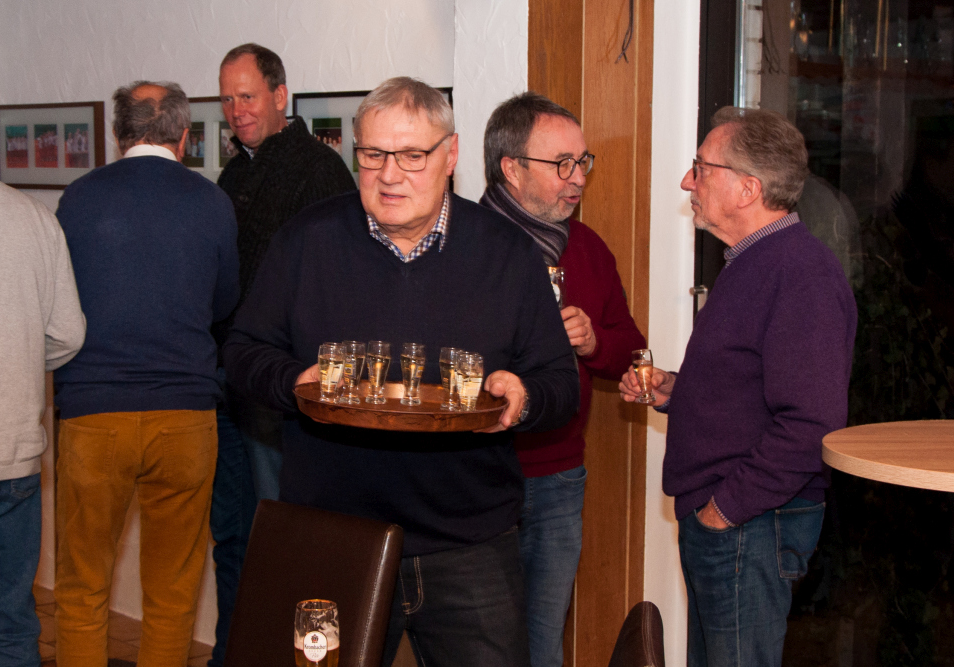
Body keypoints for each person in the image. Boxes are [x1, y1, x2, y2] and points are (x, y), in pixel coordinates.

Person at [223, 76, 580, 667]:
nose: (389, 175)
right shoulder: (306, 241)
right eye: (372, 155)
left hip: (470, 545)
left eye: (412, 155)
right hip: (333, 537)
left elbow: (560, 383)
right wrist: (291, 382)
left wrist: (524, 395)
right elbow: (242, 351)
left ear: (451, 155)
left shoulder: (507, 252)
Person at [619, 107, 857, 667]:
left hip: (751, 522)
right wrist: (676, 391)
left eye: (701, 168)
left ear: (748, 189)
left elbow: (811, 425)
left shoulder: (800, 273)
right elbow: (753, 387)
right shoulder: (755, 262)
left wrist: (724, 511)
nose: (687, 181)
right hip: (737, 521)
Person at [53, 81, 239, 667]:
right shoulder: (212, 202)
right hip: (185, 415)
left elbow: (60, 303)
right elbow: (224, 302)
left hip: (93, 414)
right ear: (183, 136)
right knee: (173, 593)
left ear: (118, 134)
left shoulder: (79, 198)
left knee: (82, 588)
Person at [479, 92, 646, 667]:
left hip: (558, 478)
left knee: (542, 645)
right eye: (562, 164)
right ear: (511, 168)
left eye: (583, 162)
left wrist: (595, 342)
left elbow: (632, 350)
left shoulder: (589, 248)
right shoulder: (462, 246)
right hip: (473, 474)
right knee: (476, 647)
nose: (578, 178)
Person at [209, 42, 356, 667]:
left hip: (284, 398)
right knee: (232, 538)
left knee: (290, 542)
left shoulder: (319, 172)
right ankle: (234, 654)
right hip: (229, 387)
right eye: (227, 99)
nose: (237, 110)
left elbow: (340, 288)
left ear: (279, 96)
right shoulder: (233, 175)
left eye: (247, 96)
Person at [0, 85, 85, 667]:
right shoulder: (33, 217)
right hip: (9, 455)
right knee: (8, 629)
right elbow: (68, 335)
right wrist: (16, 361)